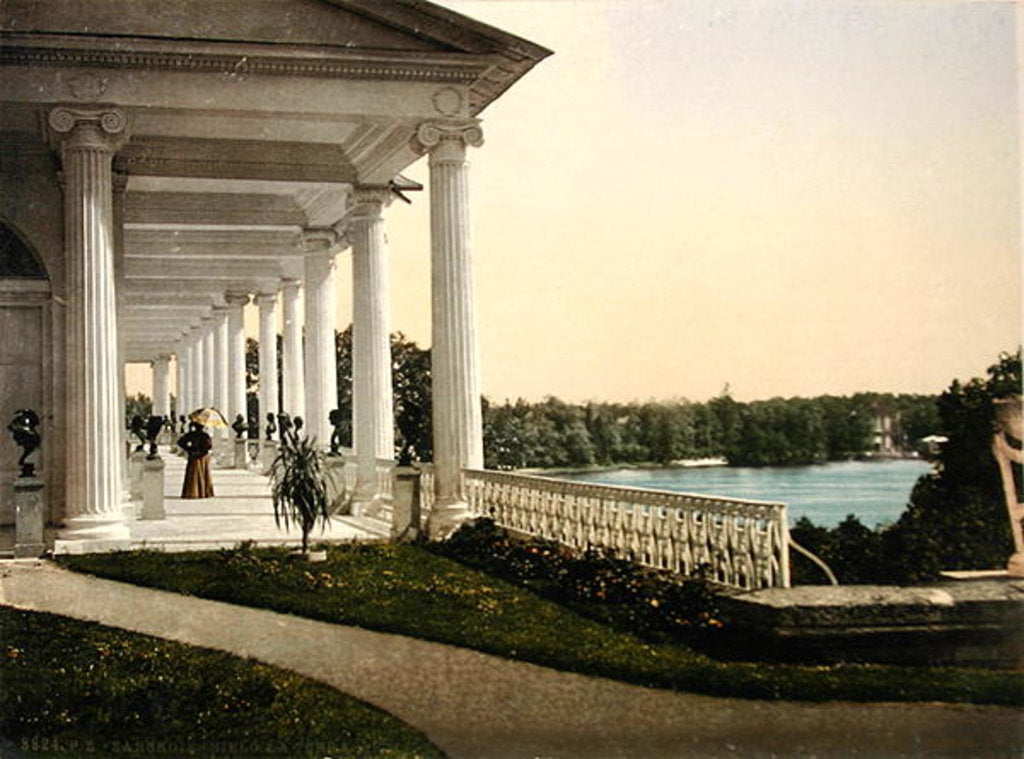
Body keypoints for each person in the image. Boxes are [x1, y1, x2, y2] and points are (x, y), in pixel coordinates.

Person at [177, 421, 214, 498]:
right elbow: (209, 446)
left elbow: (180, 442)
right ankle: (203, 492)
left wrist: (189, 449)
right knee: (203, 474)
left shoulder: (191, 434)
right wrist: (202, 451)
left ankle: (193, 492)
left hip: (193, 455)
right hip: (202, 457)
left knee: (193, 475)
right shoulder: (204, 435)